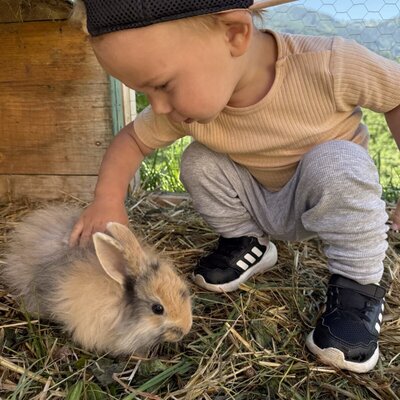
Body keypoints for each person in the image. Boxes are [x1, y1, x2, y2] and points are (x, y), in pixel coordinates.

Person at [69, 0, 400, 373]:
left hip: (327, 201)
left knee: (337, 160)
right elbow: (132, 140)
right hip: (258, 200)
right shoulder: (183, 109)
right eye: (144, 92)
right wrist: (107, 200)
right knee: (199, 160)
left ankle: (358, 289)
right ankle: (247, 242)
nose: (158, 107)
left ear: (234, 34)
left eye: (162, 85)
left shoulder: (331, 62)